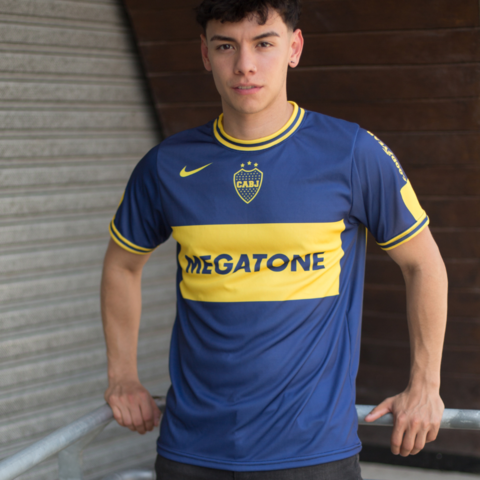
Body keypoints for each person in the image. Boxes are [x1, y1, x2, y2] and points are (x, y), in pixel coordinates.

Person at [101, 0, 448, 478]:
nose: (245, 64)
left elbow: (423, 264)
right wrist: (122, 376)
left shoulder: (352, 153)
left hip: (314, 453)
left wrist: (425, 385)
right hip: (192, 451)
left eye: (264, 43)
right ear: (205, 54)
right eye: (226, 46)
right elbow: (122, 265)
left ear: (294, 48)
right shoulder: (166, 164)